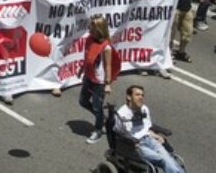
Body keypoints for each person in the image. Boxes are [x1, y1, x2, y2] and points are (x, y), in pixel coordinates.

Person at [114, 85, 187, 173]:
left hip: (149, 139)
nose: (141, 97)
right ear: (129, 97)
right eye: (137, 95)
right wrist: (130, 142)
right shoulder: (121, 114)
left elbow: (146, 127)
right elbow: (118, 134)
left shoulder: (144, 109)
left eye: (142, 95)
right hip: (135, 146)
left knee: (169, 158)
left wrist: (156, 136)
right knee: (162, 159)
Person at [80, 14, 114, 144]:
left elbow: (108, 65)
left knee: (96, 106)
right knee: (83, 101)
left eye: (92, 26)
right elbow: (87, 56)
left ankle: (98, 130)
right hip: (88, 77)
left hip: (99, 81)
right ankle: (103, 119)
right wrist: (82, 69)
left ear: (98, 29)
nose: (89, 28)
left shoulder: (106, 47)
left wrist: (108, 83)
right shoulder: (89, 39)